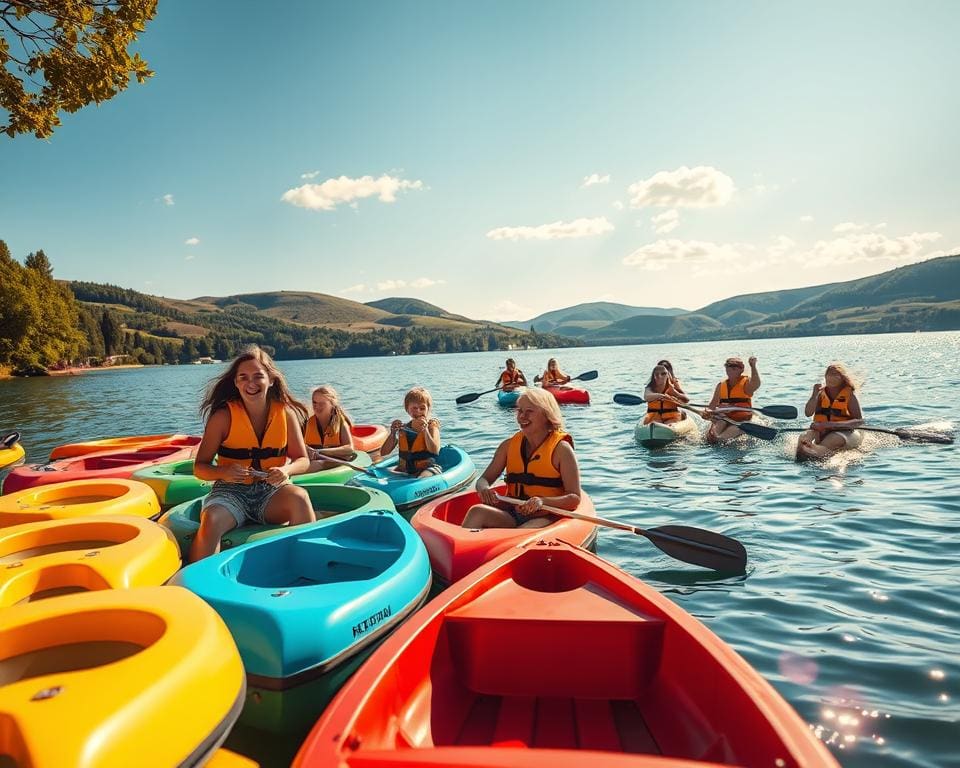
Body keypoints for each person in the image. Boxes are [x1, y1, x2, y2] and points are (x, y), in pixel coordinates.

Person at [190, 346, 315, 562]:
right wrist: (224, 471)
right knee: (211, 519)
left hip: (271, 492)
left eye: (259, 376)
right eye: (243, 377)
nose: (251, 383)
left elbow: (302, 460)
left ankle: (306, 566)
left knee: (300, 498)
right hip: (230, 494)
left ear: (271, 380)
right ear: (236, 382)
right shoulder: (222, 417)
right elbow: (200, 468)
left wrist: (286, 470)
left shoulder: (286, 414)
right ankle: (193, 586)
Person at [462, 387, 581, 529]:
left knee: (526, 529)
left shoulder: (562, 450)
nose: (522, 416)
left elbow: (574, 498)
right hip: (513, 514)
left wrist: (542, 501)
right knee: (477, 512)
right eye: (519, 411)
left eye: (529, 411)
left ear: (547, 414)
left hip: (546, 516)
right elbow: (483, 479)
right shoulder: (508, 446)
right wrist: (484, 489)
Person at [796, 363, 864, 458]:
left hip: (844, 431)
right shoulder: (820, 393)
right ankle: (806, 451)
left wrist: (830, 425)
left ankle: (815, 453)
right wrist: (814, 395)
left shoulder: (849, 395)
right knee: (804, 437)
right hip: (821, 430)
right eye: (829, 374)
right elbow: (808, 413)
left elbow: (860, 421)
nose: (831, 377)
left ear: (842, 378)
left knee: (832, 440)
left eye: (835, 375)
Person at [379, 387, 442, 477]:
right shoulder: (404, 428)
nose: (418, 411)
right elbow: (384, 452)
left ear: (428, 409)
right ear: (407, 409)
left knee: (424, 476)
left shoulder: (431, 427)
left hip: (428, 468)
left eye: (422, 408)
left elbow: (435, 450)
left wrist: (425, 431)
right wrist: (393, 433)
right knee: (379, 473)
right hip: (405, 470)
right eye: (414, 408)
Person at [703, 356, 761, 443]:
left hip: (740, 420)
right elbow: (712, 406)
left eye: (734, 367)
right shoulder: (721, 385)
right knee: (711, 437)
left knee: (721, 439)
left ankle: (742, 431)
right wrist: (706, 412)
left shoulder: (746, 383)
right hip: (724, 418)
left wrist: (753, 366)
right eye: (728, 367)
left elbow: (756, 384)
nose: (730, 370)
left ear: (741, 369)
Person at [303, 385, 357, 470]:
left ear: (332, 404)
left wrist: (319, 451)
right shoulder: (307, 423)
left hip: (334, 460)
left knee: (315, 464)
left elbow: (349, 449)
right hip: (314, 460)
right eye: (314, 402)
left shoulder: (341, 423)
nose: (316, 406)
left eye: (321, 403)